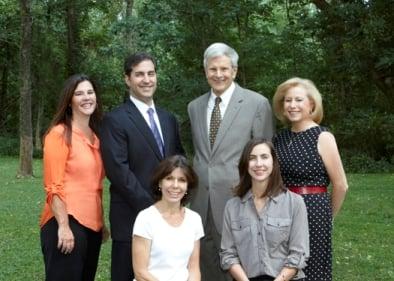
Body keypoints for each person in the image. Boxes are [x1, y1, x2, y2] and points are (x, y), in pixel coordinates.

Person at [188, 42, 274, 280]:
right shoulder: (194, 107)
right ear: (205, 71)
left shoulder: (256, 103)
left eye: (224, 69)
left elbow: (264, 159)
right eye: (213, 69)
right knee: (205, 263)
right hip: (200, 201)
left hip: (239, 199)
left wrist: (261, 200)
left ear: (234, 71)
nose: (218, 74)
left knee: (239, 265)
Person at [100, 52, 185, 281]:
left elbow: (179, 163)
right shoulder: (114, 120)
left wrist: (173, 206)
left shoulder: (168, 119)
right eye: (139, 75)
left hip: (169, 218)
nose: (147, 80)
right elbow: (119, 172)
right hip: (131, 218)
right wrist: (154, 210)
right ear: (128, 79)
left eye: (151, 73)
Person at [272, 77, 348, 281]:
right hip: (283, 209)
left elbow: (341, 185)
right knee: (283, 266)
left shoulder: (322, 136)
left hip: (313, 211)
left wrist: (328, 216)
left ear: (311, 104)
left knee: (310, 267)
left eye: (298, 100)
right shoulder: (280, 138)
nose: (292, 105)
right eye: (288, 100)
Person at [39, 74, 109, 281]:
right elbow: (53, 186)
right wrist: (63, 226)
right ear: (69, 101)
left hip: (92, 227)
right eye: (79, 94)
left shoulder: (96, 137)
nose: (86, 97)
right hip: (66, 223)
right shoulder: (59, 134)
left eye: (90, 92)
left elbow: (94, 185)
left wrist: (100, 222)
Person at [220, 138, 309, 281]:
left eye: (264, 157)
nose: (259, 164)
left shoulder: (295, 203)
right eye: (252, 158)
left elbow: (298, 254)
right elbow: (228, 254)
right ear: (245, 164)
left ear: (273, 162)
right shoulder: (232, 206)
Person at [132, 155, 204, 281]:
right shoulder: (146, 218)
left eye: (182, 180)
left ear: (188, 186)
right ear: (160, 182)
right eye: (169, 178)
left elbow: (194, 269)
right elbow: (140, 272)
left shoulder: (194, 219)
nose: (175, 185)